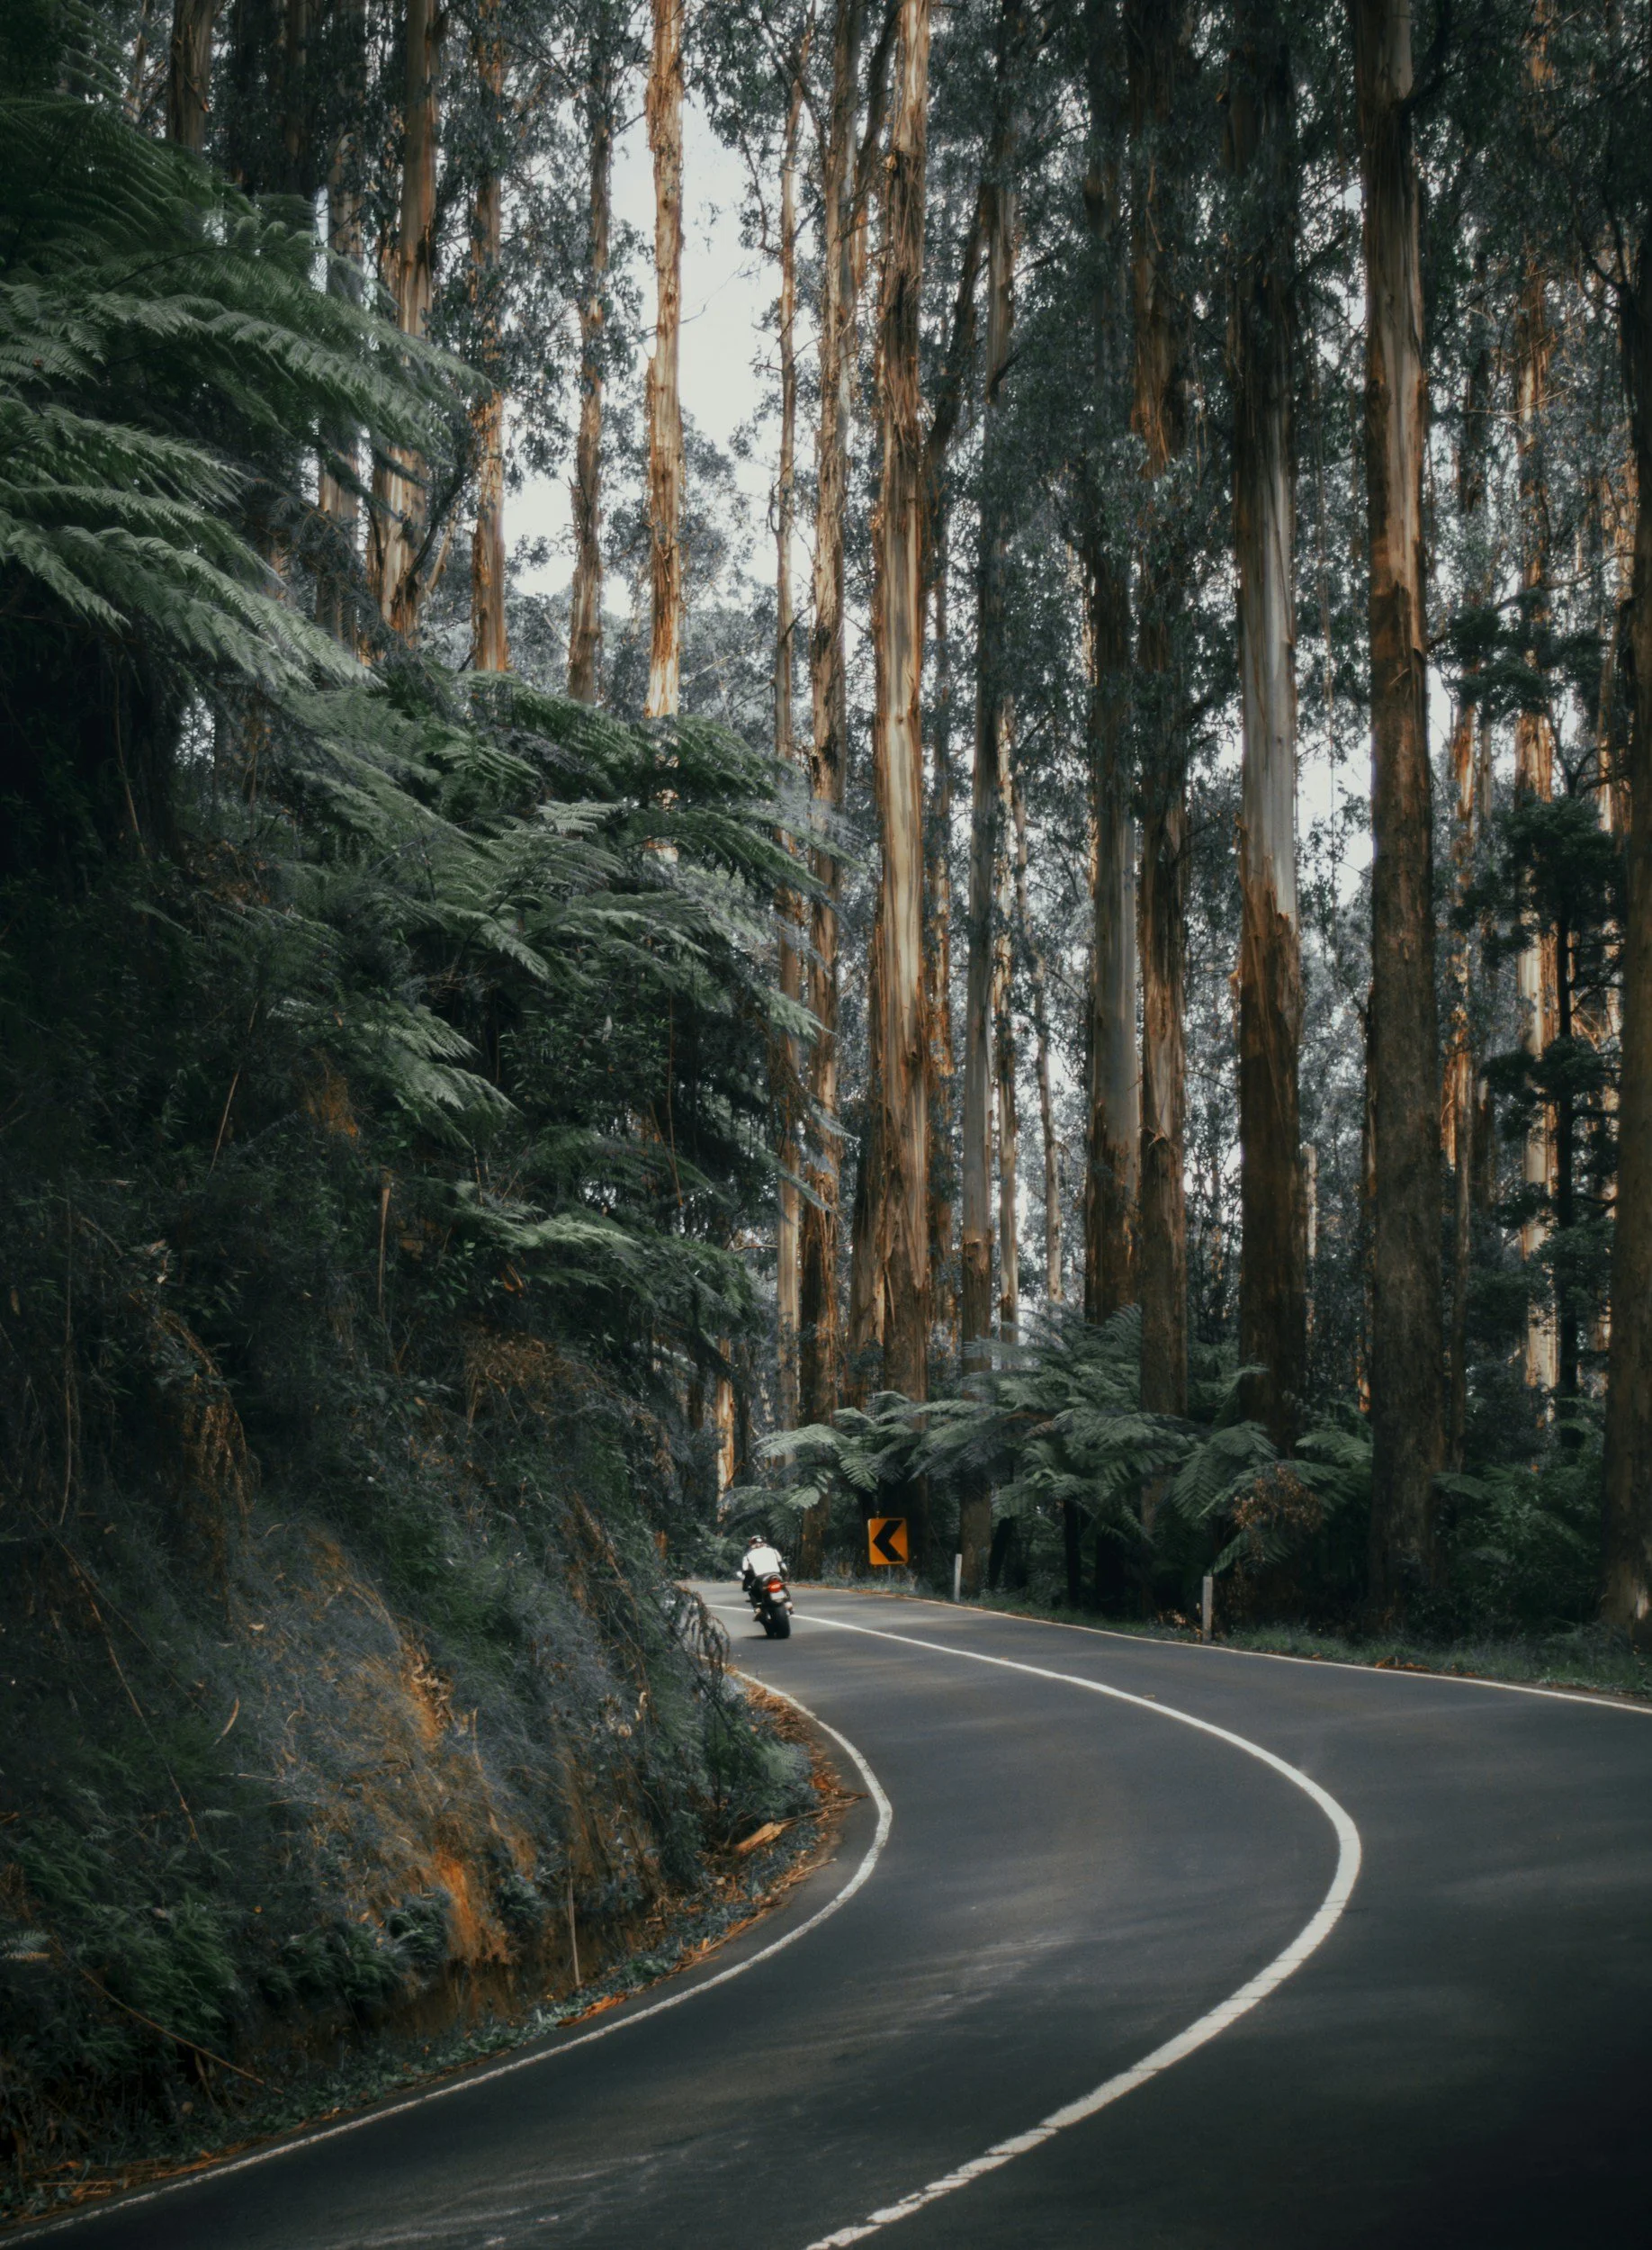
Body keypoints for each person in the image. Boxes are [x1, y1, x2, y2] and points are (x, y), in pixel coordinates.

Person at [738, 1532, 786, 1608]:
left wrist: (745, 1584)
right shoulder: (773, 1550)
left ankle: (758, 1607)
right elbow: (781, 1563)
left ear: (752, 1544)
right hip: (775, 1574)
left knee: (752, 1589)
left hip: (761, 1576)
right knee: (782, 1584)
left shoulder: (748, 1555)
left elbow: (745, 1569)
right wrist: (785, 1575)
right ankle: (788, 1602)